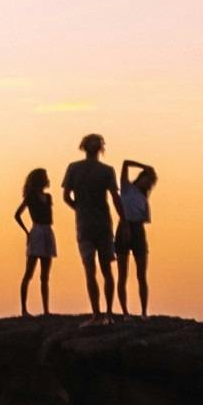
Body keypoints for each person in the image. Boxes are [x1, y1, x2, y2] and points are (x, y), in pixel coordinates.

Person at [60, 133, 118, 316]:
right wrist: (124, 220)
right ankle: (107, 313)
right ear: (101, 148)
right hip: (102, 224)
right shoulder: (107, 171)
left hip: (85, 225)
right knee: (106, 269)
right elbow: (115, 198)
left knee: (90, 270)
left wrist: (79, 208)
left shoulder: (74, 168)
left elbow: (66, 197)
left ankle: (97, 313)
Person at [113, 157, 157, 313]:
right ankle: (125, 311)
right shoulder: (126, 187)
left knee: (141, 274)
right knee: (122, 273)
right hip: (124, 226)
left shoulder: (144, 197)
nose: (149, 184)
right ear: (142, 177)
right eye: (148, 180)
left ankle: (144, 311)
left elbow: (145, 218)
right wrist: (144, 165)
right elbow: (125, 163)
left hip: (138, 229)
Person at [14, 166, 57, 314]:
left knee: (45, 275)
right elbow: (17, 214)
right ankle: (24, 309)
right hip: (37, 231)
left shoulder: (48, 197)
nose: (47, 179)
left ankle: (46, 310)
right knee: (29, 273)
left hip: (47, 231)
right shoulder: (30, 198)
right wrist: (27, 232)